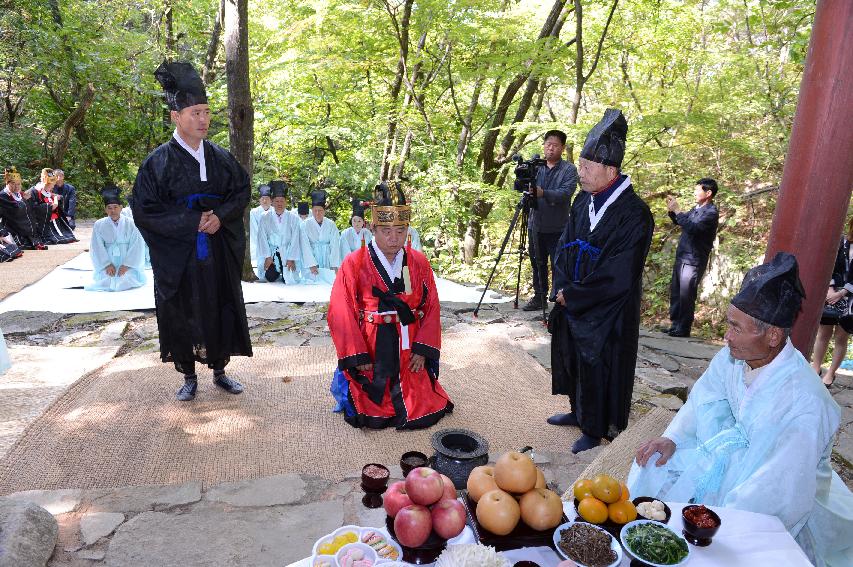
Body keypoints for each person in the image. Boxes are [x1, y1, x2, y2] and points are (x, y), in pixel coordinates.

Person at [628, 252, 853, 567]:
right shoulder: (733, 358)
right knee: (652, 463)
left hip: (781, 487)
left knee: (728, 548)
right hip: (736, 456)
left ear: (772, 335)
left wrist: (718, 519)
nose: (726, 337)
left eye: (736, 328)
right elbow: (703, 399)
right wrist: (673, 438)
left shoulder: (806, 404)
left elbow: (779, 490)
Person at [132, 60, 251, 402]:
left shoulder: (220, 157)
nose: (203, 119)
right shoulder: (158, 162)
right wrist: (190, 222)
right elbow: (144, 210)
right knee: (181, 308)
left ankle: (220, 369)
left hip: (215, 249)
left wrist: (221, 216)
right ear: (175, 117)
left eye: (206, 111)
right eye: (195, 112)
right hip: (179, 254)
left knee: (219, 303)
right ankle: (187, 374)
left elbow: (241, 190)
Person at [548, 109, 654, 453]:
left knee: (601, 363)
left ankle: (596, 427)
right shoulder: (583, 201)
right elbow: (563, 245)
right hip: (574, 297)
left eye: (587, 168)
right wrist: (562, 287)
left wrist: (576, 295)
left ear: (611, 170)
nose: (580, 173)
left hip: (609, 306)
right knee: (575, 357)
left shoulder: (635, 213)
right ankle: (578, 412)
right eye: (580, 165)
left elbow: (620, 272)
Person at [328, 180, 453, 429]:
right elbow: (340, 311)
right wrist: (357, 354)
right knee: (370, 404)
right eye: (386, 231)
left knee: (422, 403)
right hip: (372, 345)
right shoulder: (355, 263)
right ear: (372, 228)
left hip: (409, 343)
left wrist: (423, 349)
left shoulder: (418, 262)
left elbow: (431, 307)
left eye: (400, 230)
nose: (394, 238)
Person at [522, 130, 579, 311]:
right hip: (535, 224)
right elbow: (523, 187)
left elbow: (565, 193)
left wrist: (543, 193)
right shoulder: (536, 167)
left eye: (555, 145)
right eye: (548, 145)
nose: (551, 148)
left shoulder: (569, 170)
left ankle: (557, 299)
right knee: (537, 262)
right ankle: (539, 296)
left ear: (562, 148)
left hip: (558, 227)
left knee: (558, 264)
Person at [665, 178, 720, 337]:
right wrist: (672, 211)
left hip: (693, 259)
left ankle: (683, 328)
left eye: (698, 190)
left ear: (708, 193)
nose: (695, 192)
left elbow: (692, 227)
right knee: (676, 291)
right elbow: (681, 221)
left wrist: (678, 211)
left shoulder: (710, 213)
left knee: (686, 293)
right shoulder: (696, 208)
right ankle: (675, 325)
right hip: (682, 255)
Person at [811, 219, 853, 387]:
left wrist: (844, 292)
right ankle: (815, 367)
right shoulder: (842, 242)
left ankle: (830, 373)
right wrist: (830, 289)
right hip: (832, 292)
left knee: (841, 337)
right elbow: (830, 266)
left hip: (850, 297)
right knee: (823, 333)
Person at [85, 186, 147, 292]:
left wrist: (127, 265)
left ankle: (127, 272)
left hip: (127, 262)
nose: (113, 210)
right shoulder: (99, 224)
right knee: (107, 280)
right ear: (105, 209)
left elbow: (137, 245)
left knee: (126, 279)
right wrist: (106, 265)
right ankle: (108, 272)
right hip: (109, 262)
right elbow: (96, 247)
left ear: (121, 207)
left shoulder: (131, 223)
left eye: (115, 207)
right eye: (109, 207)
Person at [255, 180, 316, 284]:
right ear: (272, 202)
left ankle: (285, 269)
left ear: (286, 202)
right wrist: (267, 257)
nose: (279, 204)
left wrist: (291, 258)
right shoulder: (264, 217)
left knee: (288, 279)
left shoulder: (293, 218)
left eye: (282, 201)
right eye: (277, 201)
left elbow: (295, 239)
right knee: (270, 277)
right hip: (271, 252)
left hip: (287, 252)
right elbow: (262, 238)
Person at [0, 166, 48, 250]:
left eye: (18, 184)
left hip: (25, 230)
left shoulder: (21, 194)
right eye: (13, 184)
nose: (16, 186)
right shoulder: (3, 196)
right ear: (7, 183)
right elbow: (16, 211)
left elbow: (32, 210)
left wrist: (29, 200)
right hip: (12, 229)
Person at [29, 168, 77, 244]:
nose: (52, 188)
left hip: (55, 217)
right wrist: (49, 206)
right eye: (51, 186)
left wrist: (69, 215)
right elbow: (34, 208)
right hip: (41, 220)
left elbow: (71, 202)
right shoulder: (34, 191)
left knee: (68, 230)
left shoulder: (68, 188)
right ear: (46, 184)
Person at [301, 189, 341, 281]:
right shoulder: (305, 224)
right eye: (315, 210)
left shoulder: (331, 224)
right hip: (312, 255)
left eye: (320, 210)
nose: (317, 213)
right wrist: (311, 264)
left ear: (324, 211)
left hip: (327, 256)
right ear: (312, 210)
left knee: (328, 281)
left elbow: (335, 245)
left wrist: (334, 265)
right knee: (313, 281)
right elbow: (305, 245)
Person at [249, 183, 272, 260]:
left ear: (271, 200)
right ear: (259, 200)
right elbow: (254, 231)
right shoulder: (254, 212)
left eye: (267, 198)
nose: (265, 201)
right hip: (257, 245)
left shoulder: (275, 211)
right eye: (262, 198)